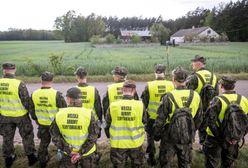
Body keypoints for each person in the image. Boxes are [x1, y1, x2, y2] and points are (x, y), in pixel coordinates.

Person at [154, 66, 203, 168]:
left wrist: (157, 134)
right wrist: (191, 130)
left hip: (169, 136)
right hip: (187, 136)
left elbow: (160, 120)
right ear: (186, 79)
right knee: (185, 163)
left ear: (173, 80)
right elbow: (199, 118)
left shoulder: (168, 97)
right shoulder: (196, 95)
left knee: (165, 163)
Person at [204, 76, 248, 168]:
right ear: (233, 87)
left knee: (212, 163)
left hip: (214, 138)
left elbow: (209, 121)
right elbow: (246, 122)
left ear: (221, 86)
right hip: (233, 139)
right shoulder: (243, 100)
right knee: (228, 164)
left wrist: (221, 137)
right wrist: (238, 136)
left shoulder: (217, 100)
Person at [0, 63, 37, 168]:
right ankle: (31, 158)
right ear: (14, 70)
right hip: (21, 116)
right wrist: (33, 116)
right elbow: (26, 102)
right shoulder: (19, 84)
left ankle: (8, 159)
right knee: (27, 136)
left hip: (5, 116)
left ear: (4, 71)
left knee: (7, 138)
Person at [50, 87, 98, 168]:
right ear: (80, 98)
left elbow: (55, 136)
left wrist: (68, 151)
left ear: (68, 99)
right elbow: (93, 136)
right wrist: (80, 153)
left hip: (67, 155)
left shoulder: (59, 114)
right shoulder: (89, 114)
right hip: (87, 154)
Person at [105, 80, 147, 168]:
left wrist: (109, 135)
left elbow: (107, 124)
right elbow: (144, 121)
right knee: (137, 165)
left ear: (122, 90)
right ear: (134, 91)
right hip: (135, 143)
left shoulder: (113, 105)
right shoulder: (140, 105)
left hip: (118, 143)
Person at [30, 71, 67, 167]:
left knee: (43, 144)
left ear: (41, 80)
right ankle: (61, 161)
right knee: (60, 144)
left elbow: (32, 110)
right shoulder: (56, 94)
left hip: (42, 124)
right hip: (55, 125)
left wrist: (36, 120)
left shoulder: (34, 94)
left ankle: (42, 162)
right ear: (52, 80)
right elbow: (64, 110)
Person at [141, 64, 174, 166]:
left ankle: (151, 159)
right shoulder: (171, 85)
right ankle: (163, 161)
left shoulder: (149, 85)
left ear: (155, 73)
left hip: (152, 118)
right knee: (165, 141)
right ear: (165, 73)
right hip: (167, 120)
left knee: (150, 139)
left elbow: (144, 103)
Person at [186, 55, 218, 145]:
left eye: (193, 62)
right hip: (210, 107)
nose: (192, 64)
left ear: (199, 64)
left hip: (197, 108)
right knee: (206, 128)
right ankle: (204, 147)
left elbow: (188, 93)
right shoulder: (213, 76)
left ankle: (189, 146)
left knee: (192, 127)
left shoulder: (194, 77)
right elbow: (217, 94)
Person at [74, 67, 102, 137]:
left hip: (78, 119)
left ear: (76, 77)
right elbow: (98, 107)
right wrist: (100, 120)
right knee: (92, 141)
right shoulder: (93, 90)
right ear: (86, 76)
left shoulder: (73, 90)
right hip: (91, 120)